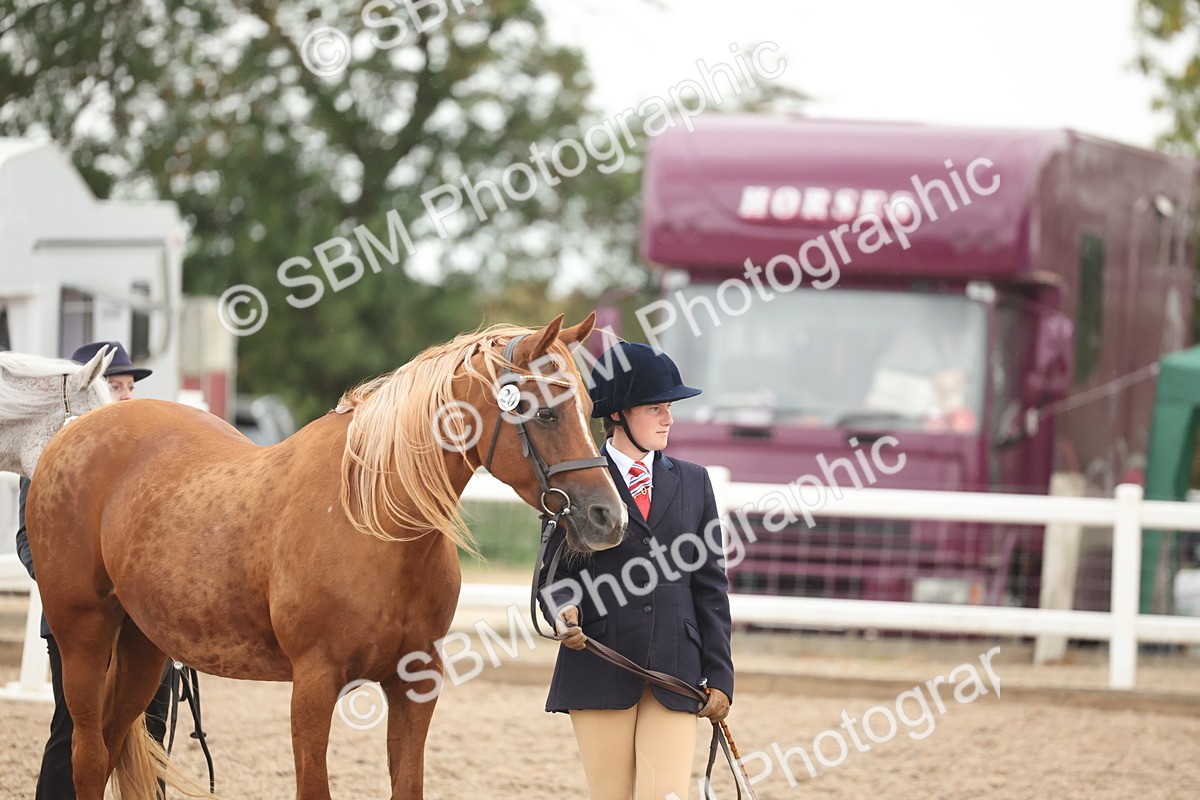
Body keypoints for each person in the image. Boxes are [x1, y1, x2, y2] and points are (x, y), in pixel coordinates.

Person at [538, 341, 734, 800]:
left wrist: (721, 674)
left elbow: (710, 585)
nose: (668, 418)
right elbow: (553, 578)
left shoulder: (694, 480)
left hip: (677, 668)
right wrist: (564, 613)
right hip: (601, 661)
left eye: (669, 407)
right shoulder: (576, 483)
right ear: (619, 415)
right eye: (655, 408)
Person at [15, 340, 173, 800]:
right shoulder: (53, 456)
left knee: (154, 732)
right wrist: (77, 591)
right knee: (72, 732)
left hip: (146, 620)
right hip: (81, 622)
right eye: (113, 385)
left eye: (127, 387)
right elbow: (29, 541)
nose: (123, 396)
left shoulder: (147, 459)